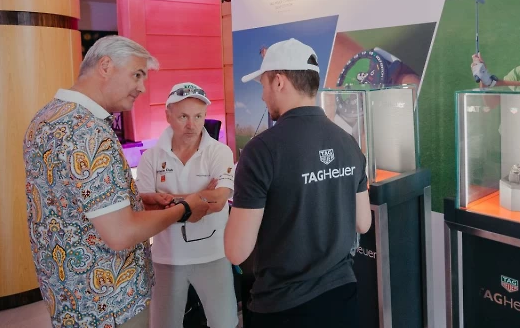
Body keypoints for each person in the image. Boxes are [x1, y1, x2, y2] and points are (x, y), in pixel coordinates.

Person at [23, 36, 209, 328]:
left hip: (68, 299)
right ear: (106, 66)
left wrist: (135, 202)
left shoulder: (46, 118)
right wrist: (184, 209)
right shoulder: (88, 132)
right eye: (137, 74)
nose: (142, 87)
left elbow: (70, 201)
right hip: (111, 304)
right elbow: (121, 234)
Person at [225, 38, 372, 328]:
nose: (263, 96)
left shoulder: (260, 150)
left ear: (279, 81)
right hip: (343, 300)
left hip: (283, 308)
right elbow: (363, 223)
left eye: (263, 85)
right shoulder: (348, 142)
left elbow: (236, 250)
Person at [135, 82, 238, 328]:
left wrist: (167, 201)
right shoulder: (151, 157)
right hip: (166, 257)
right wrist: (198, 198)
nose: (191, 125)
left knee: (224, 323)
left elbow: (219, 200)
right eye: (183, 116)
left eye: (198, 116)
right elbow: (145, 207)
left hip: (213, 254)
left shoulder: (220, 152)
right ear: (168, 115)